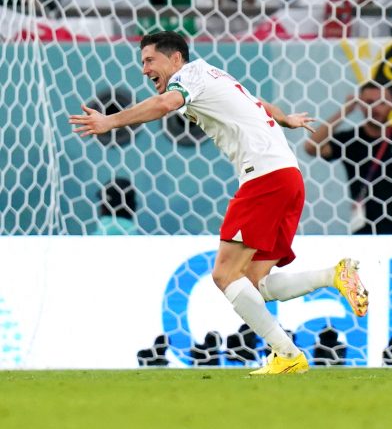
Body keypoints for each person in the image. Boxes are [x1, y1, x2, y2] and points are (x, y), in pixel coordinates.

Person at [68, 31, 370, 375]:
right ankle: (334, 275)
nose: (144, 70)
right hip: (288, 177)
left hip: (264, 178)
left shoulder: (188, 78)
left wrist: (110, 120)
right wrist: (285, 118)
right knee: (254, 283)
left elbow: (164, 105)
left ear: (175, 59)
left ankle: (287, 354)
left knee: (225, 275)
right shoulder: (215, 75)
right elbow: (257, 104)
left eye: (150, 60)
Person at [304, 81, 392, 235]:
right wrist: (344, 111)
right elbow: (311, 147)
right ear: (360, 105)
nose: (375, 108)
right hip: (365, 231)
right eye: (369, 102)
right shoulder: (350, 140)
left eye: (382, 103)